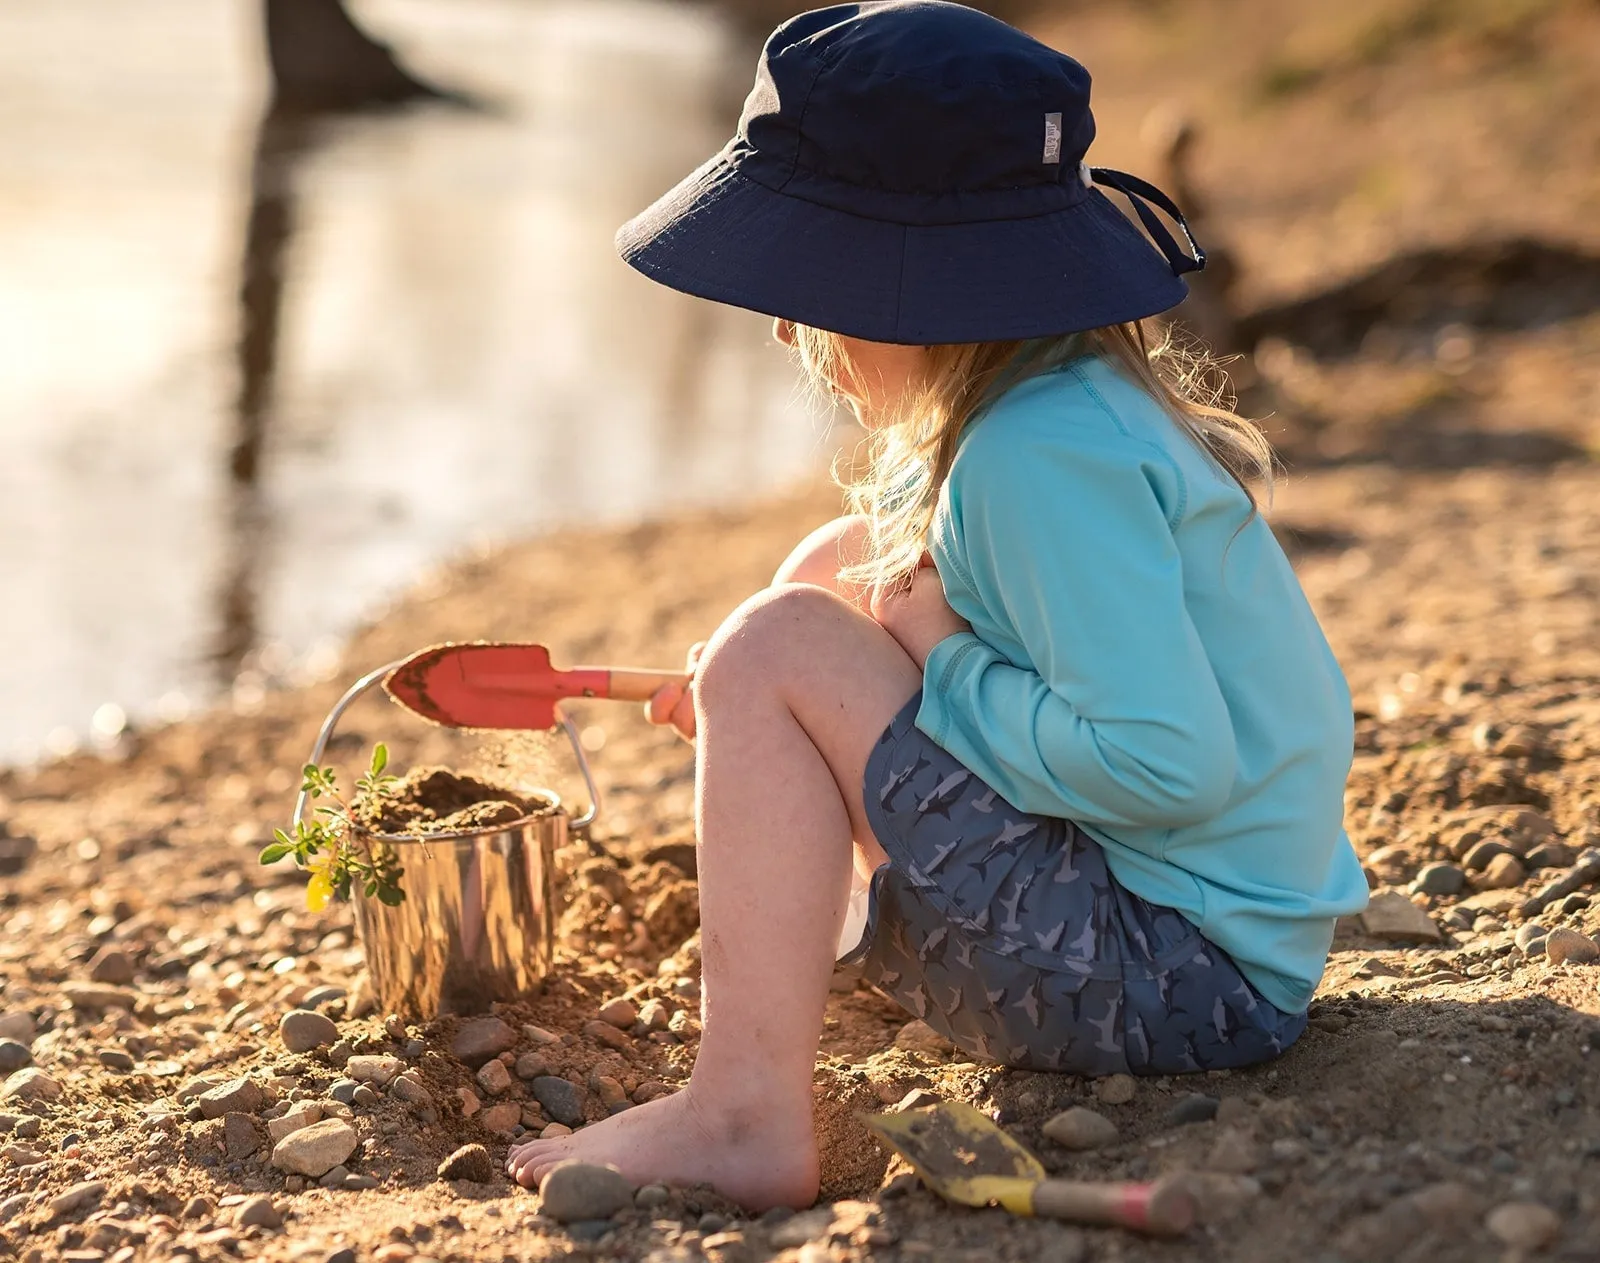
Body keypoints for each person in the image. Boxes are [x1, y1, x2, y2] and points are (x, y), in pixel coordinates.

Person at [507, 0, 1367, 1210]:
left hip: (1174, 978)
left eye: (806, 277)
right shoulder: (1053, 404)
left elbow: (1166, 766)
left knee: (778, 642)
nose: (787, 318)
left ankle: (744, 1113)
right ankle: (809, 901)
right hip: (1198, 938)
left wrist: (932, 657)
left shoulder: (1036, 458)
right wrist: (803, 711)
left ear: (900, 275)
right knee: (833, 569)